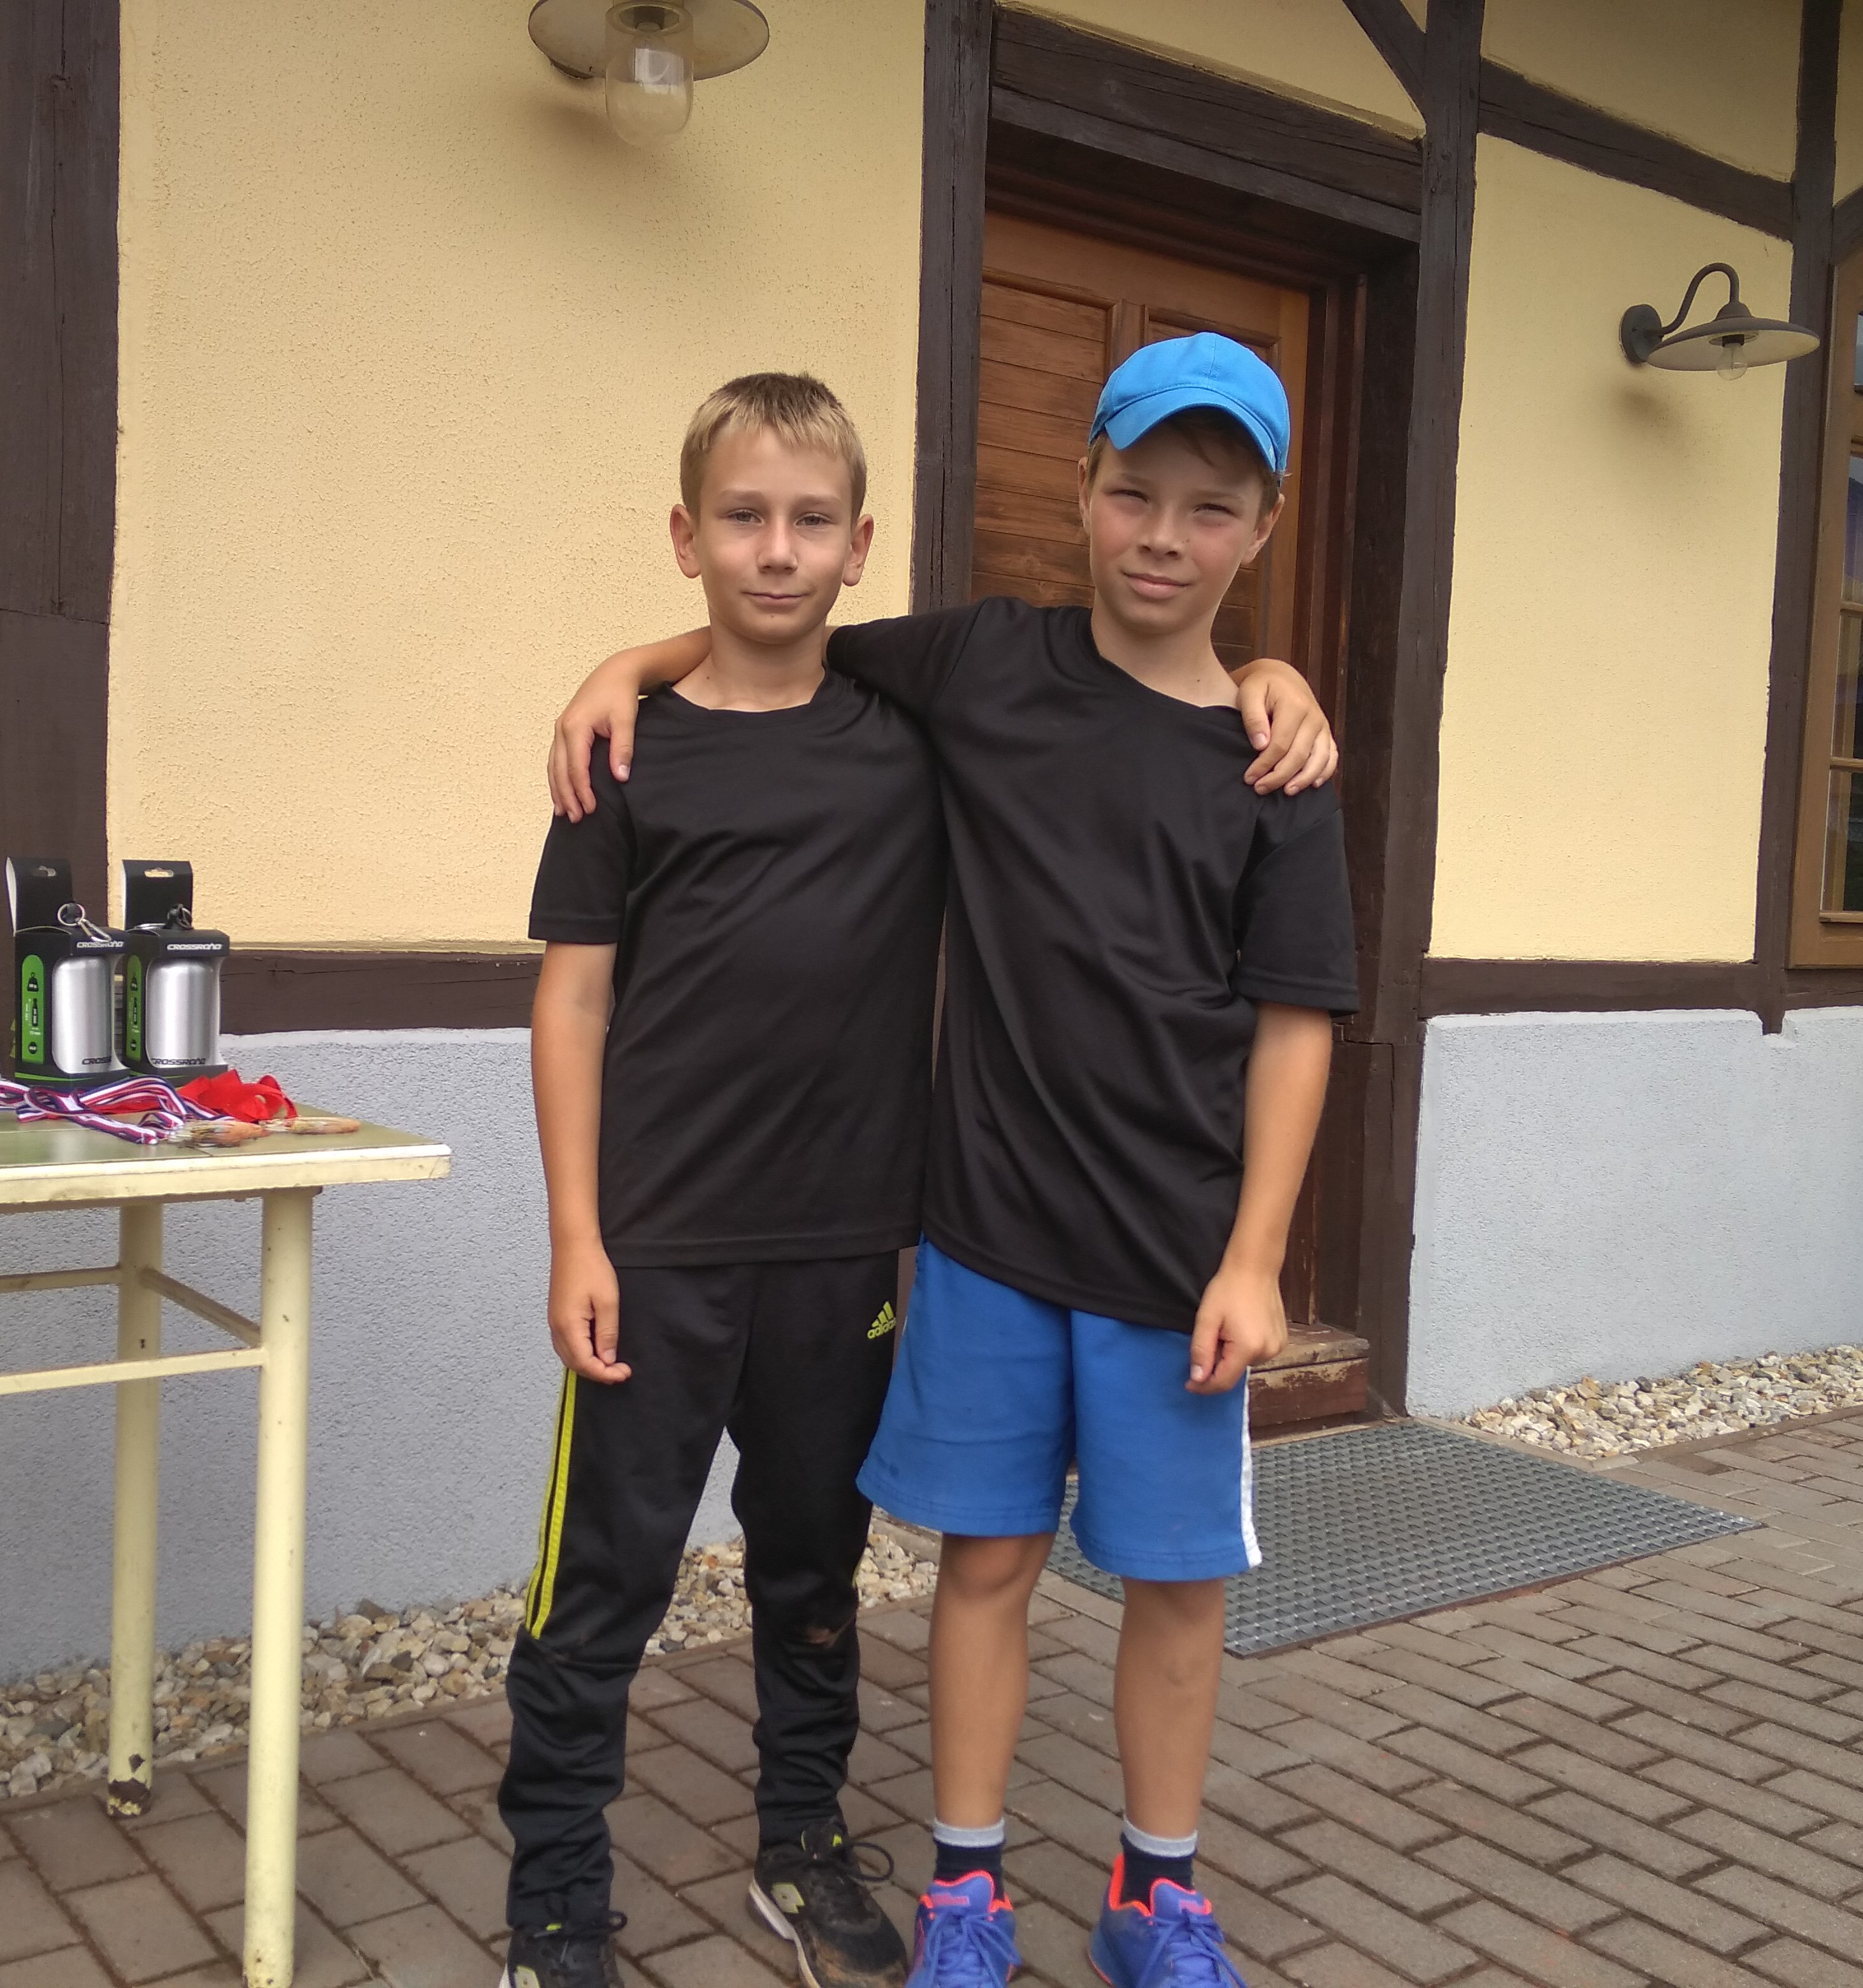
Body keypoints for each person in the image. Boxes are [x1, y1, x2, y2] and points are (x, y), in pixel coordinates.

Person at [505, 366, 1335, 1988]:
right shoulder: (740, 730)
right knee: (615, 1576)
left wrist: (1277, 672)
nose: (778, 549)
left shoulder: (957, 733)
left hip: (885, 1245)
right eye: (743, 520)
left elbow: (1284, 996)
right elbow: (582, 981)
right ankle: (560, 1896)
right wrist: (622, 662)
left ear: (862, 541)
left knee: (817, 1569)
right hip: (713, 1244)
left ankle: (822, 1845)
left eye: (813, 522)